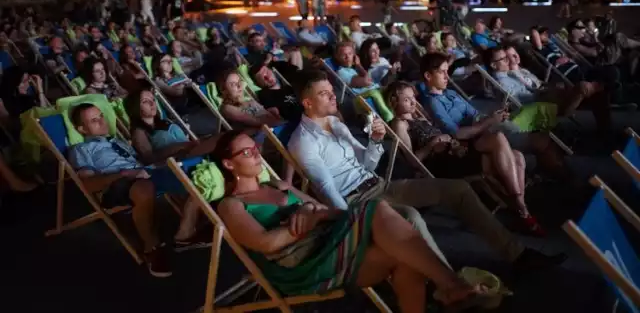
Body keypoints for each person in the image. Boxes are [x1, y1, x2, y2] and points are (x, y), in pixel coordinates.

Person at [288, 70, 566, 271]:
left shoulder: (335, 124)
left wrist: (374, 142)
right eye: (324, 94)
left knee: (458, 189)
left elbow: (367, 164)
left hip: (380, 184)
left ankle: (516, 254)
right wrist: (355, 226)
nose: (333, 96)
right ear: (307, 102)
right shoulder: (303, 143)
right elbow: (328, 193)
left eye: (331, 90)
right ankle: (448, 283)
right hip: (358, 203)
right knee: (410, 218)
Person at [214, 130, 489, 312]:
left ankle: (448, 286)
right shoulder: (232, 205)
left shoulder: (278, 185)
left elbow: (327, 211)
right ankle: (450, 284)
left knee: (404, 256)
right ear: (228, 164)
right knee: (377, 208)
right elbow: (265, 243)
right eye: (247, 152)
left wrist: (315, 213)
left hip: (329, 244)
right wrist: (303, 224)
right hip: (302, 267)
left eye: (255, 148)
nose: (257, 154)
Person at [420, 53, 543, 234]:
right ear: (428, 76)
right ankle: (521, 208)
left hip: (477, 139)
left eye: (447, 72)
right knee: (499, 138)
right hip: (458, 151)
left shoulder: (452, 93)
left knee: (518, 157)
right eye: (442, 73)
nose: (447, 77)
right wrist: (488, 122)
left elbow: (474, 115)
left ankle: (520, 212)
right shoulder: (432, 102)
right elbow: (457, 133)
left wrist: (494, 116)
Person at [68, 103, 171, 277]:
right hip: (115, 184)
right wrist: (122, 174)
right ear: (82, 129)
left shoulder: (117, 141)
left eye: (101, 115)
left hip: (141, 174)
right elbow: (88, 184)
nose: (102, 121)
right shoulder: (81, 149)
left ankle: (188, 231)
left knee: (179, 168)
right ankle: (151, 246)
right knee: (144, 187)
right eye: (94, 120)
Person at [125, 88, 221, 247]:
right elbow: (149, 158)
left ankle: (206, 220)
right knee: (221, 141)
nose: (152, 103)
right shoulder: (139, 132)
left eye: (152, 100)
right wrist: (179, 147)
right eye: (145, 101)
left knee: (218, 144)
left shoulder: (166, 122)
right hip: (173, 164)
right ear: (136, 108)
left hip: (189, 156)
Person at [501, 45, 612, 133]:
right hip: (543, 100)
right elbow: (523, 96)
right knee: (584, 87)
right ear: (505, 60)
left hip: (552, 92)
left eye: (515, 53)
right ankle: (602, 86)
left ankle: (605, 131)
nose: (516, 56)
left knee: (597, 94)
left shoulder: (524, 70)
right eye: (511, 55)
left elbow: (540, 83)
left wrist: (553, 85)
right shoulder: (510, 76)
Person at [387, 81, 486, 179]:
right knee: (489, 158)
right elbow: (413, 161)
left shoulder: (418, 118)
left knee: (495, 144)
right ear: (394, 102)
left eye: (413, 97)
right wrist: (434, 142)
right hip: (439, 162)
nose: (413, 102)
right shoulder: (400, 123)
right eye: (406, 100)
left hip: (452, 149)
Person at [334, 42, 394, 122]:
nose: (348, 57)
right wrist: (358, 65)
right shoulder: (341, 72)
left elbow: (369, 80)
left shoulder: (352, 69)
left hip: (374, 90)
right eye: (343, 55)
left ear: (354, 55)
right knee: (375, 93)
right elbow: (367, 82)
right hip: (361, 98)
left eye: (350, 53)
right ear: (337, 57)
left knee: (394, 89)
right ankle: (389, 118)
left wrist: (358, 66)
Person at [217, 69, 282, 131]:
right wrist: (278, 120)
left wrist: (272, 112)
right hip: (264, 135)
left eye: (239, 82)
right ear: (223, 90)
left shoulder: (248, 100)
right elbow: (257, 121)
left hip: (274, 128)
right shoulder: (227, 108)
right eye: (233, 84)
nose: (239, 85)